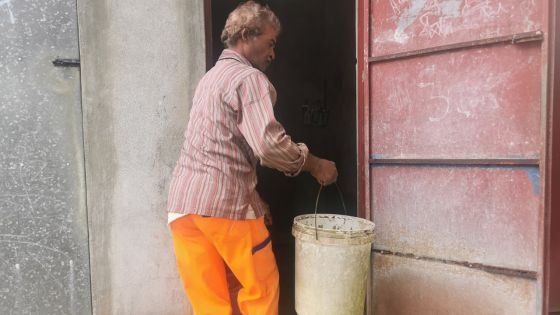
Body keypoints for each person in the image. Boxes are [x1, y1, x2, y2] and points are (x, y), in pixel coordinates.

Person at [167, 2, 338, 314]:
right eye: (270, 42)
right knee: (262, 290)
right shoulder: (248, 79)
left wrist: (255, 202)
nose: (273, 53)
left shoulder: (211, 79)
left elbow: (221, 149)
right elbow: (269, 145)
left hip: (183, 209)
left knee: (211, 303)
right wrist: (315, 164)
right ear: (246, 35)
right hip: (224, 207)